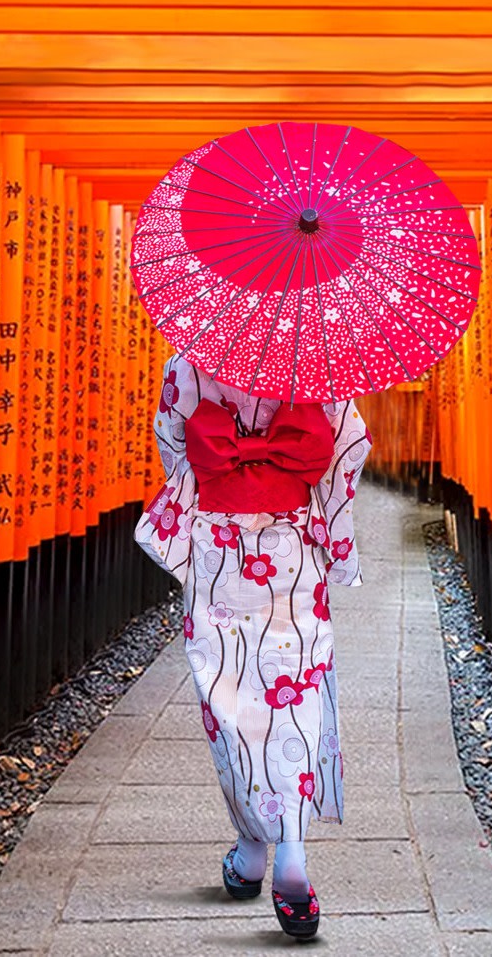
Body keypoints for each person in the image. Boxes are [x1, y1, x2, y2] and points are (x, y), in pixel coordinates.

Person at [134, 351, 371, 940]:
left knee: (231, 704)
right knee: (297, 694)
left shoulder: (190, 360)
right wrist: (334, 542)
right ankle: (287, 849)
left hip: (218, 552)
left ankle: (251, 851)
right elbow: (349, 447)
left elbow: (174, 442)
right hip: (290, 553)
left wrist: (220, 478)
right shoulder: (319, 361)